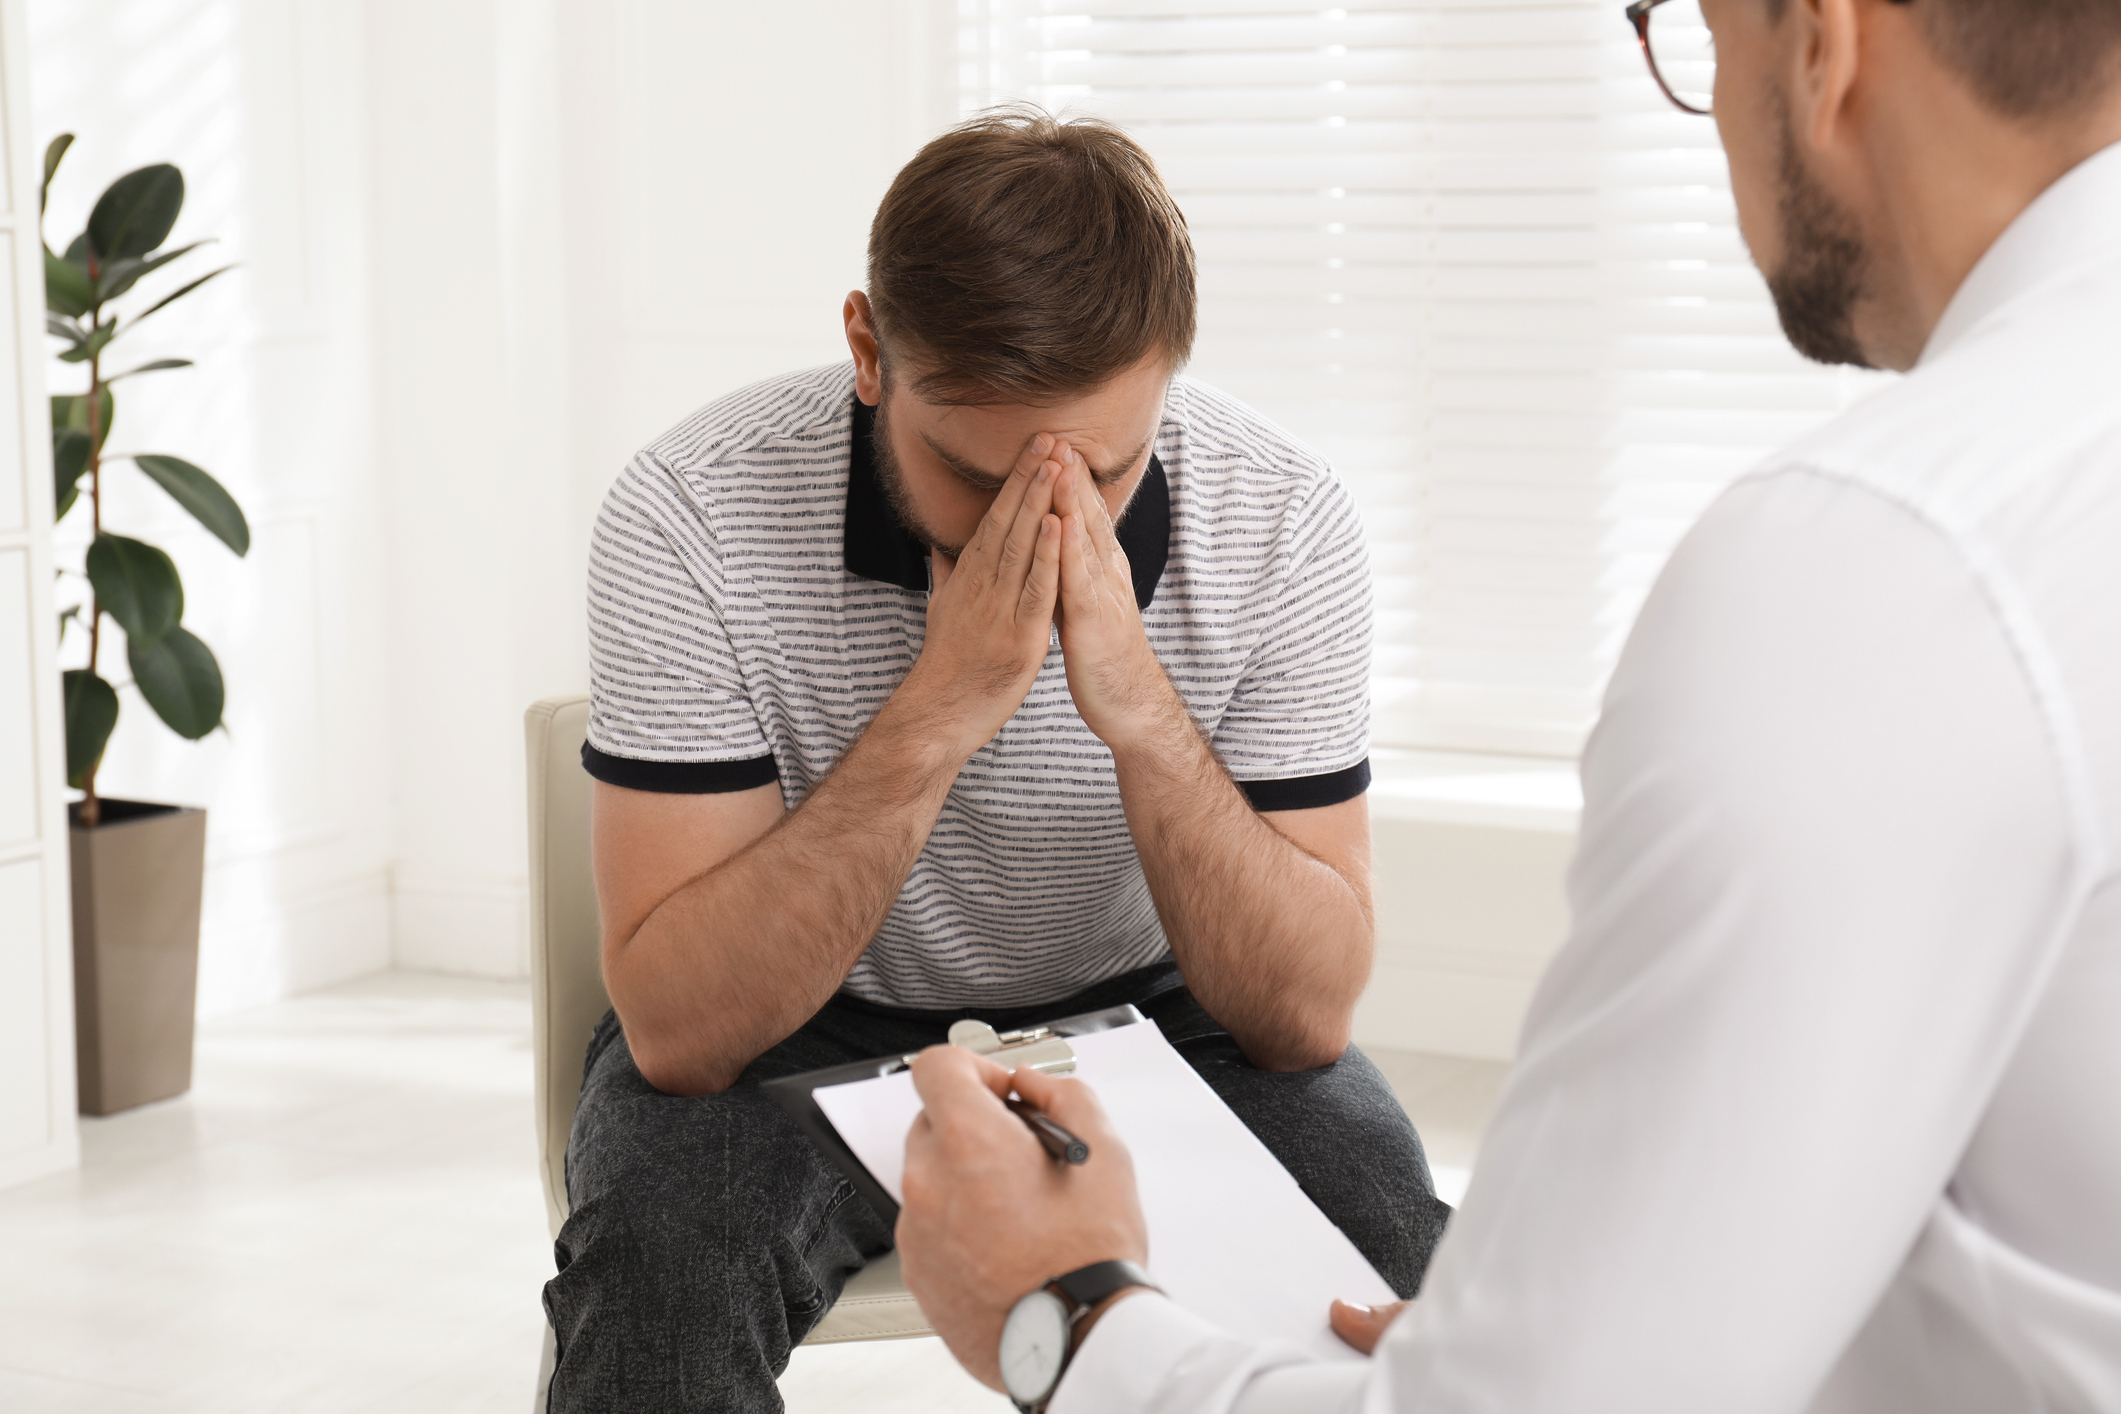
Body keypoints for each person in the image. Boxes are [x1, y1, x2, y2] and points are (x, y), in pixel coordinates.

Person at [894, 0, 2121, 1409]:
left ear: (1822, 46)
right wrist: (1527, 1323)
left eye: (1699, 36)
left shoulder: (1880, 561)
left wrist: (1066, 1314)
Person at [540, 109, 1454, 1413]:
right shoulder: (691, 510)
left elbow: (1301, 1019)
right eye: (975, 476)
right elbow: (683, 1033)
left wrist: (1140, 713)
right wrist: (940, 709)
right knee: (658, 1277)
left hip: (1166, 1013)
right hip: (800, 1027)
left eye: (1108, 470)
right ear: (869, 352)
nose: (1046, 519)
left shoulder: (1284, 518)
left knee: (1412, 1288)